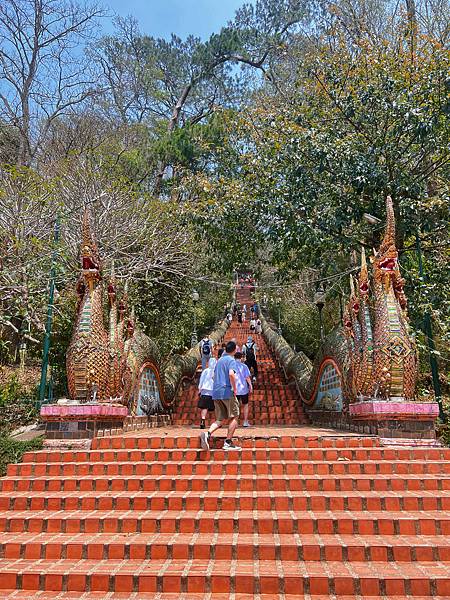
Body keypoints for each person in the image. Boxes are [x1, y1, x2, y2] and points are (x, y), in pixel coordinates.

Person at [200, 340, 241, 451]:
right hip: (227, 391)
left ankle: (207, 434)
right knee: (235, 416)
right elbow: (231, 374)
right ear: (234, 350)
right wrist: (234, 388)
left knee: (221, 419)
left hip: (216, 393)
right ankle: (228, 442)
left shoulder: (219, 361)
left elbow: (213, 376)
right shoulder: (231, 360)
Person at [234, 351, 253, 427]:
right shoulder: (244, 366)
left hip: (235, 389)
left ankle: (235, 422)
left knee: (236, 406)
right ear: (241, 358)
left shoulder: (231, 366)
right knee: (245, 405)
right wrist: (250, 385)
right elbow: (247, 377)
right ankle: (245, 421)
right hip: (243, 389)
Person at [197, 358, 217, 429]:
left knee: (204, 407)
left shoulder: (205, 371)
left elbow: (201, 380)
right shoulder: (216, 371)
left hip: (205, 391)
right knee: (216, 406)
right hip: (214, 392)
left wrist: (200, 389)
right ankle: (217, 422)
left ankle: (203, 420)